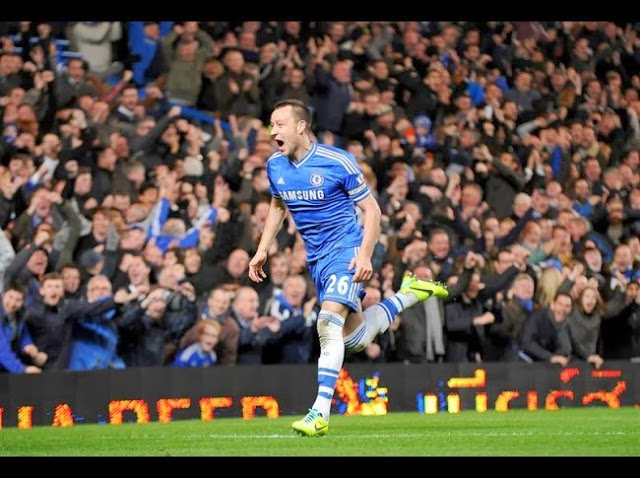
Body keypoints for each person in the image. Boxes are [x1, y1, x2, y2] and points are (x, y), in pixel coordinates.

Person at [248, 99, 449, 437]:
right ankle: (409, 294)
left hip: (347, 250)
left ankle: (319, 412)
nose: (272, 131)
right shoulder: (275, 166)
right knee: (354, 338)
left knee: (327, 324)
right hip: (317, 259)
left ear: (301, 127)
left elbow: (372, 210)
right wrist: (262, 249)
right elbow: (277, 204)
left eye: (279, 124)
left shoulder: (337, 161)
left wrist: (366, 255)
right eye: (270, 124)